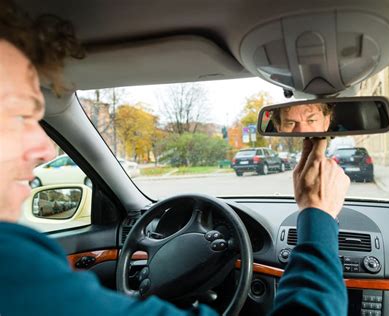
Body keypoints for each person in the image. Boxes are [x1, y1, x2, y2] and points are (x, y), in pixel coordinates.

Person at [0, 1, 350, 315]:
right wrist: (317, 217)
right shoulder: (14, 266)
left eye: (38, 117)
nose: (45, 150)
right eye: (18, 115)